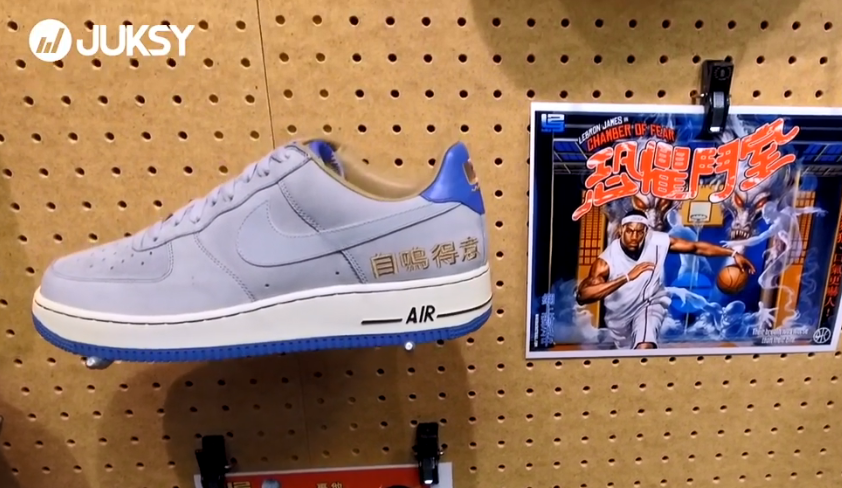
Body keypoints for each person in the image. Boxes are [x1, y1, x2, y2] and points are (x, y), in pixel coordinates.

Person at [576, 209, 755, 349]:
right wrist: (627, 277)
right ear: (621, 230)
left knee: (644, 346)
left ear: (646, 232)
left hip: (650, 304)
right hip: (619, 316)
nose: (634, 237)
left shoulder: (657, 241)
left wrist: (732, 253)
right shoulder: (607, 261)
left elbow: (695, 247)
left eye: (639, 232)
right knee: (627, 350)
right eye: (629, 231)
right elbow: (583, 295)